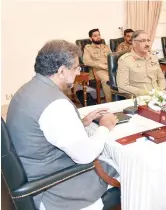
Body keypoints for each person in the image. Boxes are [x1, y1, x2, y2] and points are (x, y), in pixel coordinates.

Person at [6, 40, 119, 210]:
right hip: (50, 186)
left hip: (30, 170)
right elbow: (85, 156)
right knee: (121, 166)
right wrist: (104, 126)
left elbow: (44, 130)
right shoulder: (56, 105)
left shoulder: (27, 89)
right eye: (76, 68)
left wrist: (81, 123)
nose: (79, 71)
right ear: (61, 71)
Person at [117, 30, 166, 96]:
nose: (147, 44)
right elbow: (122, 87)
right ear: (134, 43)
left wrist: (161, 90)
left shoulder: (153, 57)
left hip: (158, 96)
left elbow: (161, 78)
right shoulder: (125, 60)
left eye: (148, 40)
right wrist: (147, 93)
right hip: (140, 98)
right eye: (143, 41)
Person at [83, 28, 112, 102]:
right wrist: (101, 65)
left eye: (99, 35)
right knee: (107, 80)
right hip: (98, 70)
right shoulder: (88, 48)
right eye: (95, 36)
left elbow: (112, 58)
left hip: (110, 69)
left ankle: (123, 100)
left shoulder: (106, 47)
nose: (98, 37)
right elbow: (86, 61)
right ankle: (110, 102)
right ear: (90, 38)